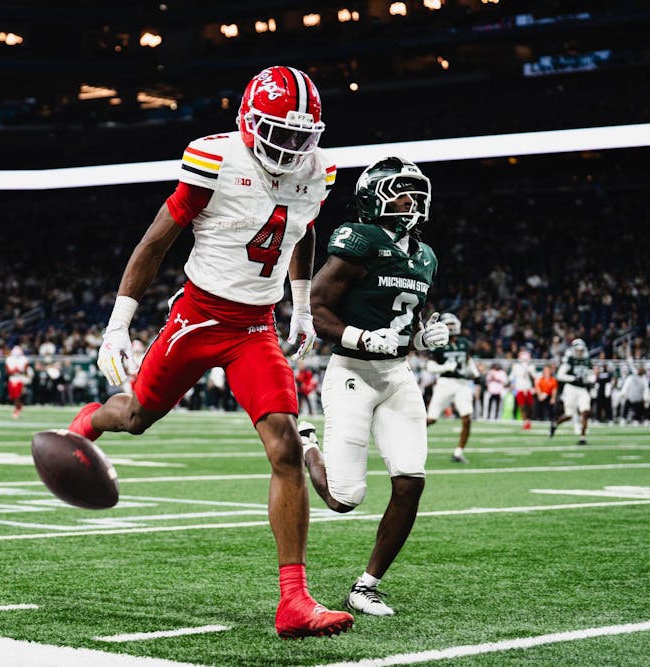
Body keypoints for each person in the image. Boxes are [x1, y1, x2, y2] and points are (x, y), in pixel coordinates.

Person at [58, 66, 353, 639]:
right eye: (280, 133)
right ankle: (92, 419)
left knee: (284, 447)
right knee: (137, 416)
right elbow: (155, 241)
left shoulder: (319, 170)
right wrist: (118, 326)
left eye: (301, 137)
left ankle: (293, 600)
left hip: (255, 328)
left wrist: (298, 301)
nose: (291, 148)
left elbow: (303, 229)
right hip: (198, 315)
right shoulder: (214, 160)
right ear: (248, 121)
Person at [300, 156, 449, 617]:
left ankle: (366, 586)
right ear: (373, 197)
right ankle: (304, 442)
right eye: (402, 191)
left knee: (410, 482)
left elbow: (408, 318)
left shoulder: (424, 255)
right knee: (344, 499)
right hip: (352, 373)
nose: (413, 200)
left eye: (416, 192)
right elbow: (318, 307)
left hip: (397, 375)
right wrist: (359, 336)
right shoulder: (359, 238)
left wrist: (424, 337)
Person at [425, 313, 480, 463]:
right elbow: (430, 366)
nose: (450, 327)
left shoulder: (464, 343)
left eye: (452, 324)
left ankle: (458, 452)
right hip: (445, 383)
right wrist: (445, 367)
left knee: (467, 417)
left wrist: (476, 374)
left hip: (462, 384)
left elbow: (468, 360)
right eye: (447, 325)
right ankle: (409, 440)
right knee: (431, 419)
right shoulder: (438, 343)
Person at [550, 338, 594, 445]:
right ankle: (555, 424)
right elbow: (560, 375)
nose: (580, 352)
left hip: (583, 388)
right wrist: (573, 378)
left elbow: (591, 375)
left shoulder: (587, 360)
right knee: (569, 415)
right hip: (571, 388)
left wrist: (589, 380)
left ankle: (582, 438)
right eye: (578, 350)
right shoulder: (570, 359)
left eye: (581, 350)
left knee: (585, 411)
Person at [509, 350, 537, 429]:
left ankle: (528, 420)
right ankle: (525, 422)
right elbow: (511, 377)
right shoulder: (516, 366)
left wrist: (529, 371)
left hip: (528, 388)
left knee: (529, 406)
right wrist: (512, 385)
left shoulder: (531, 366)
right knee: (522, 406)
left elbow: (535, 377)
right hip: (520, 388)